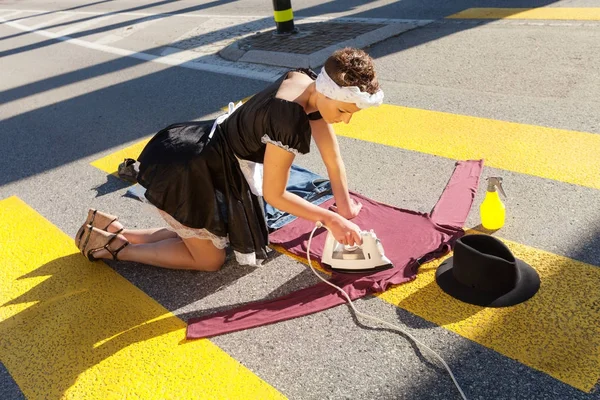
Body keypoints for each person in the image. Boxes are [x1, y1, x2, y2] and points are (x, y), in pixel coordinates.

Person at [75, 47, 384, 272]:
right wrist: (330, 219)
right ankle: (115, 249)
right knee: (209, 260)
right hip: (189, 167)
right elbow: (276, 195)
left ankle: (110, 231)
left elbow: (332, 158)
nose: (345, 121)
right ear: (328, 93)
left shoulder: (307, 83)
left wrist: (343, 206)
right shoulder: (287, 119)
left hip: (204, 152)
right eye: (344, 111)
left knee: (202, 234)